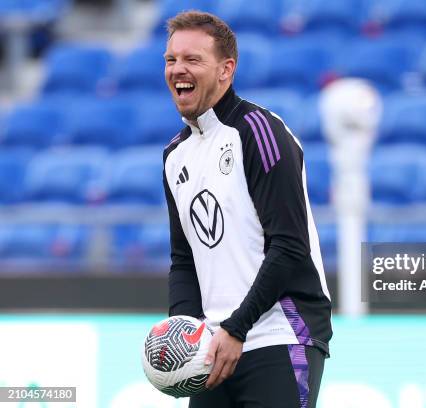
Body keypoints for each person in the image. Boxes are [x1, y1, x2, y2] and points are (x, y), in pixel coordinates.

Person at [161, 10, 332, 408]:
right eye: (171, 60)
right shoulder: (174, 156)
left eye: (192, 60)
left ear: (226, 70)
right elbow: (184, 261)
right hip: (213, 349)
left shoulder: (260, 132)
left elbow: (289, 246)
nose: (178, 70)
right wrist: (184, 334)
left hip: (279, 333)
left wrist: (237, 328)